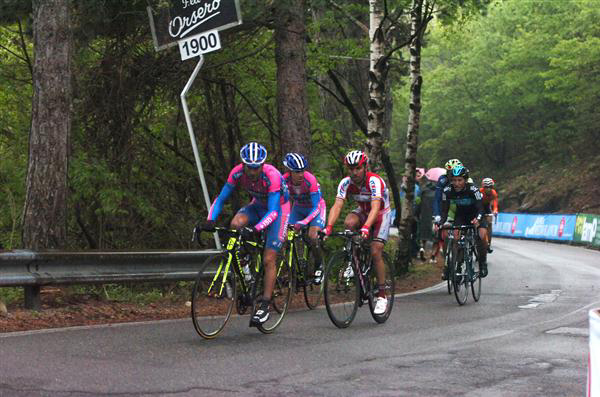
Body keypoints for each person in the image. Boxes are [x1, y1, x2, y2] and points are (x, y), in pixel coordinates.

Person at [202, 142, 290, 326]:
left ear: (262, 165)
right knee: (236, 223)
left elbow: (273, 211)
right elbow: (221, 197)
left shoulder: (272, 175)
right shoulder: (237, 172)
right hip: (258, 205)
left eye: (256, 167)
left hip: (279, 210)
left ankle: (265, 304)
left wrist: (256, 229)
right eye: (249, 167)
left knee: (268, 259)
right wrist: (210, 219)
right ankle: (245, 264)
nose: (252, 171)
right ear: (243, 164)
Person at [324, 150, 393, 315]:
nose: (354, 172)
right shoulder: (346, 183)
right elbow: (337, 205)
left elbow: (376, 207)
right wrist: (328, 227)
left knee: (375, 250)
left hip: (380, 214)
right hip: (363, 211)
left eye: (358, 168)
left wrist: (366, 227)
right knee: (349, 223)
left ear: (365, 167)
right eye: (350, 168)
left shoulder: (374, 181)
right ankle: (353, 260)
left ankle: (382, 295)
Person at [435, 165, 489, 278]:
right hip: (461, 215)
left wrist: (478, 219)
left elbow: (480, 208)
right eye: (454, 180)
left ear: (465, 180)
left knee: (481, 235)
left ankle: (482, 263)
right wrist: (440, 223)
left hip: (476, 214)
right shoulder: (447, 191)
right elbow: (445, 211)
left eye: (460, 180)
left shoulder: (473, 189)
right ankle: (458, 265)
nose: (457, 183)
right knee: (456, 238)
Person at [282, 152, 327, 284]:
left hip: (315, 209)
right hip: (298, 209)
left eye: (302, 171)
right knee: (284, 236)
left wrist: (304, 222)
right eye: (297, 172)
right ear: (290, 171)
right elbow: (281, 203)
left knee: (312, 236)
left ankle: (319, 265)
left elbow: (316, 207)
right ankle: (290, 270)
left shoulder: (310, 180)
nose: (301, 174)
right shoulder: (283, 181)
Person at [480, 177, 499, 253]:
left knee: (489, 223)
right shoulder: (480, 192)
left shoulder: (493, 193)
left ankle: (488, 244)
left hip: (487, 206)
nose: (488, 189)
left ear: (492, 187)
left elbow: (495, 203)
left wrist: (495, 210)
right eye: (486, 187)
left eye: (490, 187)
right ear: (483, 187)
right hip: (479, 206)